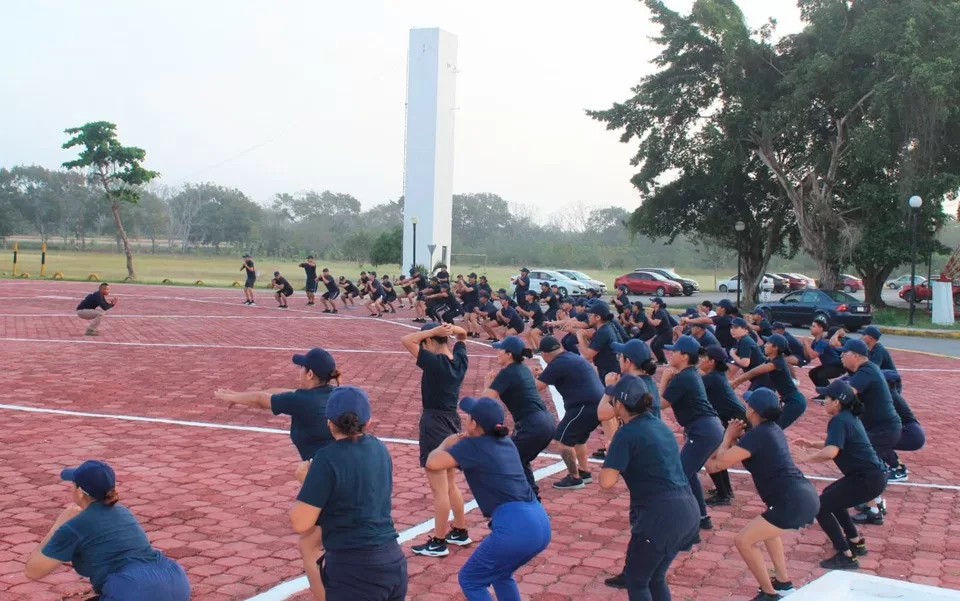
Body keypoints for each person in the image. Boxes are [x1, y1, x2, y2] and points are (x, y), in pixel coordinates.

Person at [424, 396, 551, 601]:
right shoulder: (506, 442)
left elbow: (433, 462)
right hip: (540, 523)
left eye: (469, 417)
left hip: (515, 527)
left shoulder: (472, 446)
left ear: (474, 424)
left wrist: (449, 442)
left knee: (470, 579)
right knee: (501, 574)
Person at [290, 386, 407, 601]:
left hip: (355, 569)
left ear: (329, 421)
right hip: (393, 560)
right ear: (368, 422)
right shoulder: (380, 448)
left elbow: (300, 522)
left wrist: (308, 482)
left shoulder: (326, 458)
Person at [705, 388, 820, 600]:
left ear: (752, 411)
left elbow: (717, 464)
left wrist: (727, 436)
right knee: (770, 532)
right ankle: (783, 583)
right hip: (804, 496)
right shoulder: (771, 429)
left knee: (744, 541)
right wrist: (733, 440)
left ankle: (769, 594)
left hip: (792, 501)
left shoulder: (758, 435)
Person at [25, 460, 190, 601]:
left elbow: (33, 571)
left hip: (133, 589)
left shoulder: (76, 525)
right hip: (176, 583)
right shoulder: (123, 511)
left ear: (80, 493)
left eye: (73, 485)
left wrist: (59, 524)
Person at [599, 375, 700, 597]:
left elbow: (606, 481)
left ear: (619, 404)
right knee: (654, 577)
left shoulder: (625, 434)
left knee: (636, 581)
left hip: (660, 517)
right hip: (688, 509)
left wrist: (612, 457)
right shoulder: (658, 424)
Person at [794, 381, 887, 570]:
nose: (823, 401)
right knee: (832, 498)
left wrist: (807, 458)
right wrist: (812, 443)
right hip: (871, 477)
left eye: (826, 398)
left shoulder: (838, 420)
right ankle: (855, 541)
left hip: (866, 479)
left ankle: (846, 555)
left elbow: (832, 451)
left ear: (836, 402)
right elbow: (836, 443)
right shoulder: (849, 416)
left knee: (821, 506)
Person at [401, 323, 472, 558]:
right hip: (452, 421)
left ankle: (438, 541)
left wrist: (432, 332)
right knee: (450, 483)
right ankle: (460, 531)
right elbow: (463, 335)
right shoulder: (459, 361)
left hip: (434, 423)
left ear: (430, 342)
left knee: (439, 489)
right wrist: (451, 329)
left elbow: (407, 339)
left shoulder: (436, 363)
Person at [215, 348, 339, 462]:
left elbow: (260, 400)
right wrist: (240, 395)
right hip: (343, 462)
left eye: (301, 367)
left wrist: (230, 397)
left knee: (302, 473)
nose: (299, 371)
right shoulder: (335, 393)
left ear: (310, 374)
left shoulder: (301, 400)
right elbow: (281, 393)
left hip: (325, 470)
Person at [658, 335, 724, 532]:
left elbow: (660, 404)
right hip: (706, 428)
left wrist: (664, 380)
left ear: (685, 356)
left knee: (679, 475)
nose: (670, 354)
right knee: (688, 472)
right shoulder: (689, 374)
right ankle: (702, 517)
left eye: (674, 351)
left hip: (704, 429)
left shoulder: (684, 377)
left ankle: (686, 520)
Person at [483, 336, 556, 501]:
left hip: (533, 424)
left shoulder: (507, 372)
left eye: (500, 350)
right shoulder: (522, 368)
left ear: (509, 354)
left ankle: (524, 502)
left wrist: (487, 385)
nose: (497, 353)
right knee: (520, 460)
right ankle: (532, 499)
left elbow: (486, 402)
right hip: (546, 422)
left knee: (510, 460)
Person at [836, 339, 901, 525]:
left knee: (865, 466)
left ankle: (873, 510)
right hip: (882, 428)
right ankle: (876, 504)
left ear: (855, 356)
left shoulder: (866, 371)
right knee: (868, 464)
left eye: (844, 354)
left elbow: (848, 394)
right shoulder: (867, 369)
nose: (841, 357)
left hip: (884, 429)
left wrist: (833, 396)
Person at [533, 336, 603, 489]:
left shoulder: (557, 363)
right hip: (597, 403)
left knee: (562, 441)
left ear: (544, 354)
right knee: (578, 440)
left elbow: (536, 387)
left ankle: (574, 477)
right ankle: (584, 471)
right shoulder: (569, 357)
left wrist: (527, 378)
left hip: (584, 405)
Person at [698, 345, 747, 506]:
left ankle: (723, 494)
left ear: (712, 362)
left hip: (737, 419)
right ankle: (725, 490)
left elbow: (692, 385)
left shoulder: (712, 378)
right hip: (733, 418)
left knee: (711, 455)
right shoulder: (716, 375)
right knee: (716, 452)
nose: (700, 360)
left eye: (703, 357)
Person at [731, 333, 807, 429]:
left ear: (775, 348)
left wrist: (735, 382)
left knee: (774, 428)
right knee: (771, 426)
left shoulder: (777, 362)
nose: (765, 345)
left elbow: (753, 372)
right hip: (790, 400)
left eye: (768, 343)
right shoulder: (771, 360)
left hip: (795, 402)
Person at [880, 370, 925, 481]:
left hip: (911, 433)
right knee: (876, 438)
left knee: (876, 441)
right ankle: (896, 467)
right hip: (910, 431)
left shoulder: (890, 397)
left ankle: (898, 470)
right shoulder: (890, 394)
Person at [577, 302, 621, 385]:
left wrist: (580, 337)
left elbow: (588, 355)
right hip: (610, 367)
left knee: (608, 394)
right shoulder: (606, 327)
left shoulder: (602, 332)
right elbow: (591, 349)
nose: (588, 318)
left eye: (590, 315)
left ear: (598, 317)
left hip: (609, 370)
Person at [804, 315, 845, 393]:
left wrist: (806, 344)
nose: (810, 328)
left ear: (820, 329)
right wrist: (805, 346)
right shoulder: (815, 342)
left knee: (821, 376)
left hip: (837, 366)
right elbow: (809, 357)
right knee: (813, 373)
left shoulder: (822, 342)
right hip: (828, 365)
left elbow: (813, 355)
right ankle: (823, 393)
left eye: (813, 326)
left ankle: (828, 393)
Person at [729, 318, 772, 389]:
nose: (732, 330)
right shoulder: (743, 340)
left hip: (763, 377)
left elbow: (745, 363)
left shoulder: (745, 341)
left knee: (752, 398)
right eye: (731, 327)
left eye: (736, 327)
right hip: (761, 377)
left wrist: (732, 354)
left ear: (745, 330)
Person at [647, 297, 673, 365]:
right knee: (653, 345)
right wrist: (649, 318)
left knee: (657, 346)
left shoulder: (660, 311)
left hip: (666, 332)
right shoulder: (655, 312)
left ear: (657, 304)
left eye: (653, 302)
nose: (651, 303)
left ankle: (664, 361)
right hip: (661, 332)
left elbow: (656, 323)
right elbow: (651, 323)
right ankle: (661, 360)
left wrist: (649, 318)